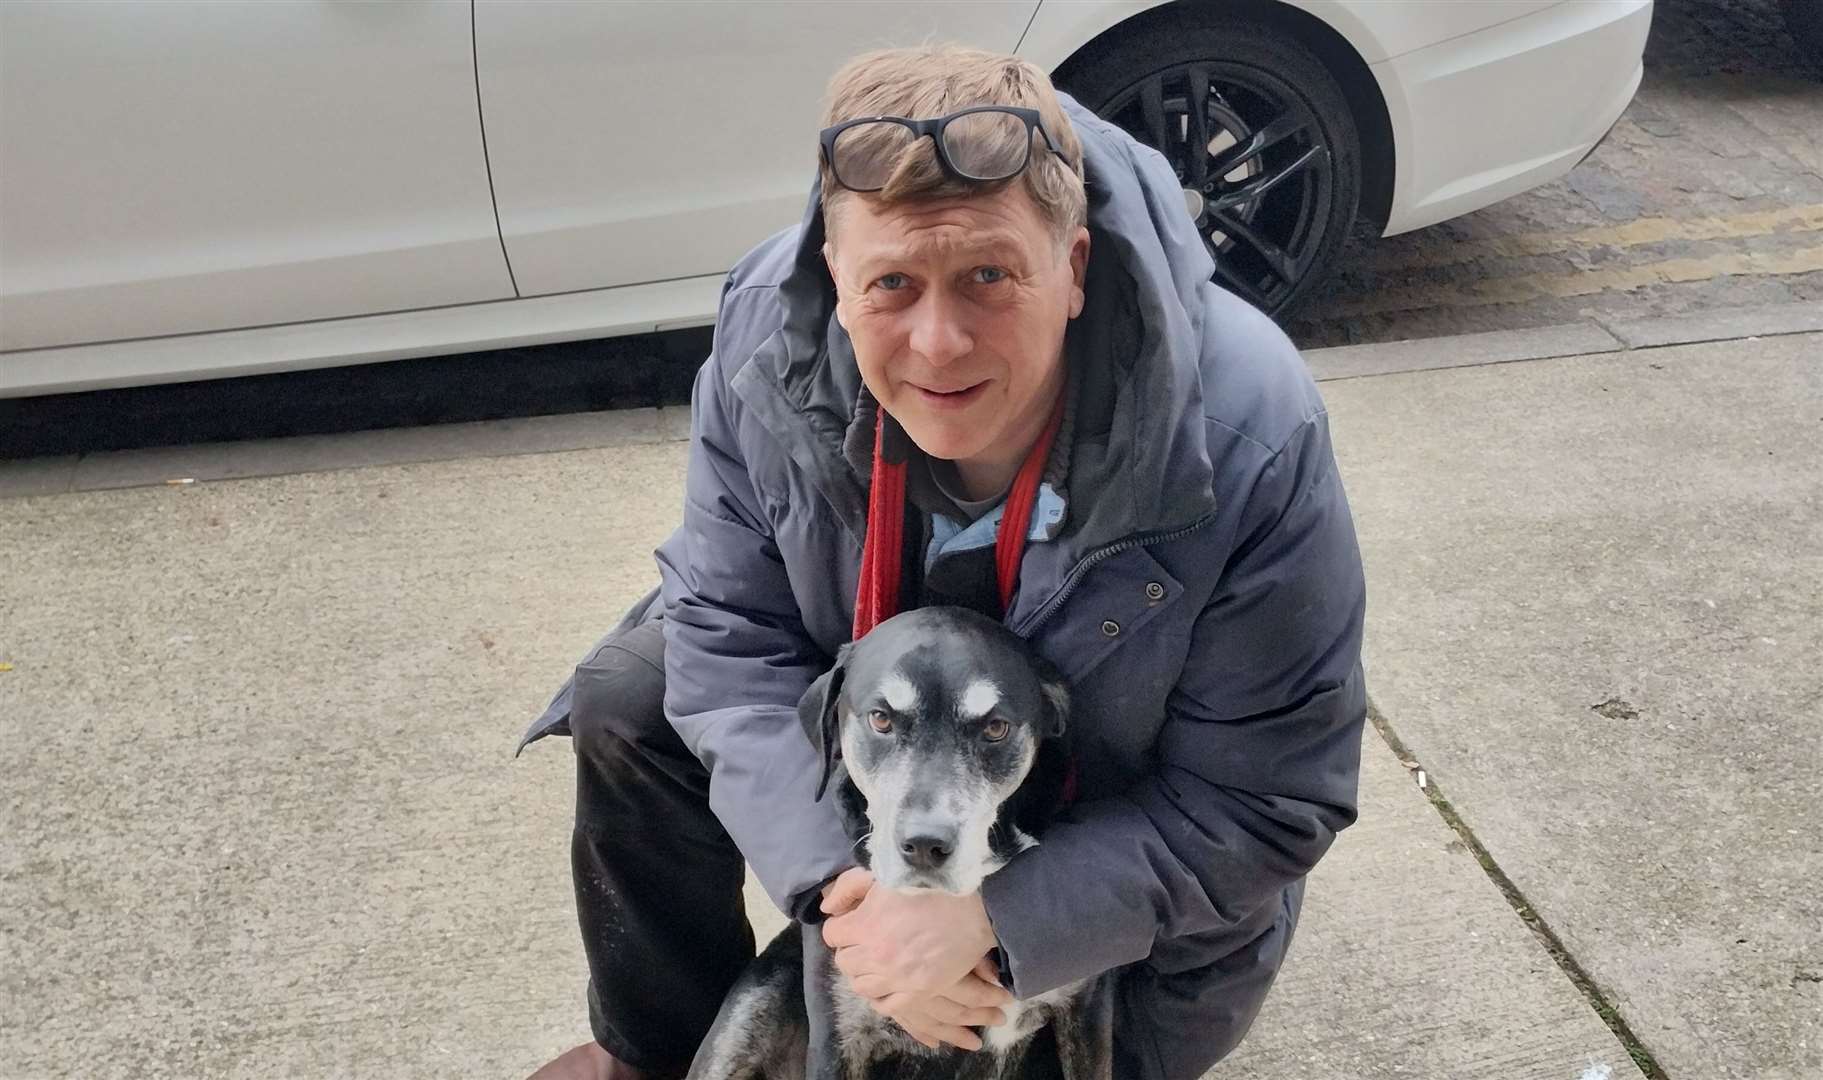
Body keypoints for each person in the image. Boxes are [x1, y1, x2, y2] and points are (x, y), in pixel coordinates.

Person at [520, 44, 1367, 1080]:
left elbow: (1265, 801)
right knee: (631, 693)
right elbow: (724, 640)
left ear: (1074, 268)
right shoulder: (761, 340)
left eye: (987, 276)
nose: (936, 342)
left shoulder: (1243, 429)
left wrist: (1001, 919)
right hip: (889, 755)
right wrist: (857, 899)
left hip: (1104, 825)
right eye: (890, 283)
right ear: (834, 276)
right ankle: (659, 1050)